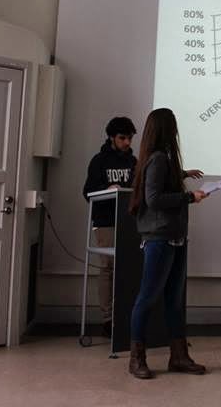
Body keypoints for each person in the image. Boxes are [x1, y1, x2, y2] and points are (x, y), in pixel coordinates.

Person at [127, 108, 208, 380]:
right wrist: (190, 197)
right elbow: (154, 199)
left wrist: (182, 174)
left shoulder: (159, 158)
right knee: (147, 298)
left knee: (175, 300)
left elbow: (160, 184)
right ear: (167, 129)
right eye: (174, 126)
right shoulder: (159, 158)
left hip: (174, 238)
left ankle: (179, 357)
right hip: (160, 239)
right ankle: (136, 359)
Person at [82, 116, 137, 339]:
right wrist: (107, 189)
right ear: (112, 137)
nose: (127, 143)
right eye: (122, 138)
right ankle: (107, 319)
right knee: (108, 268)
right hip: (105, 221)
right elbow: (87, 192)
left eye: (130, 138)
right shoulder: (99, 161)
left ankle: (125, 315)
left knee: (128, 268)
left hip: (129, 220)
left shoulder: (133, 162)